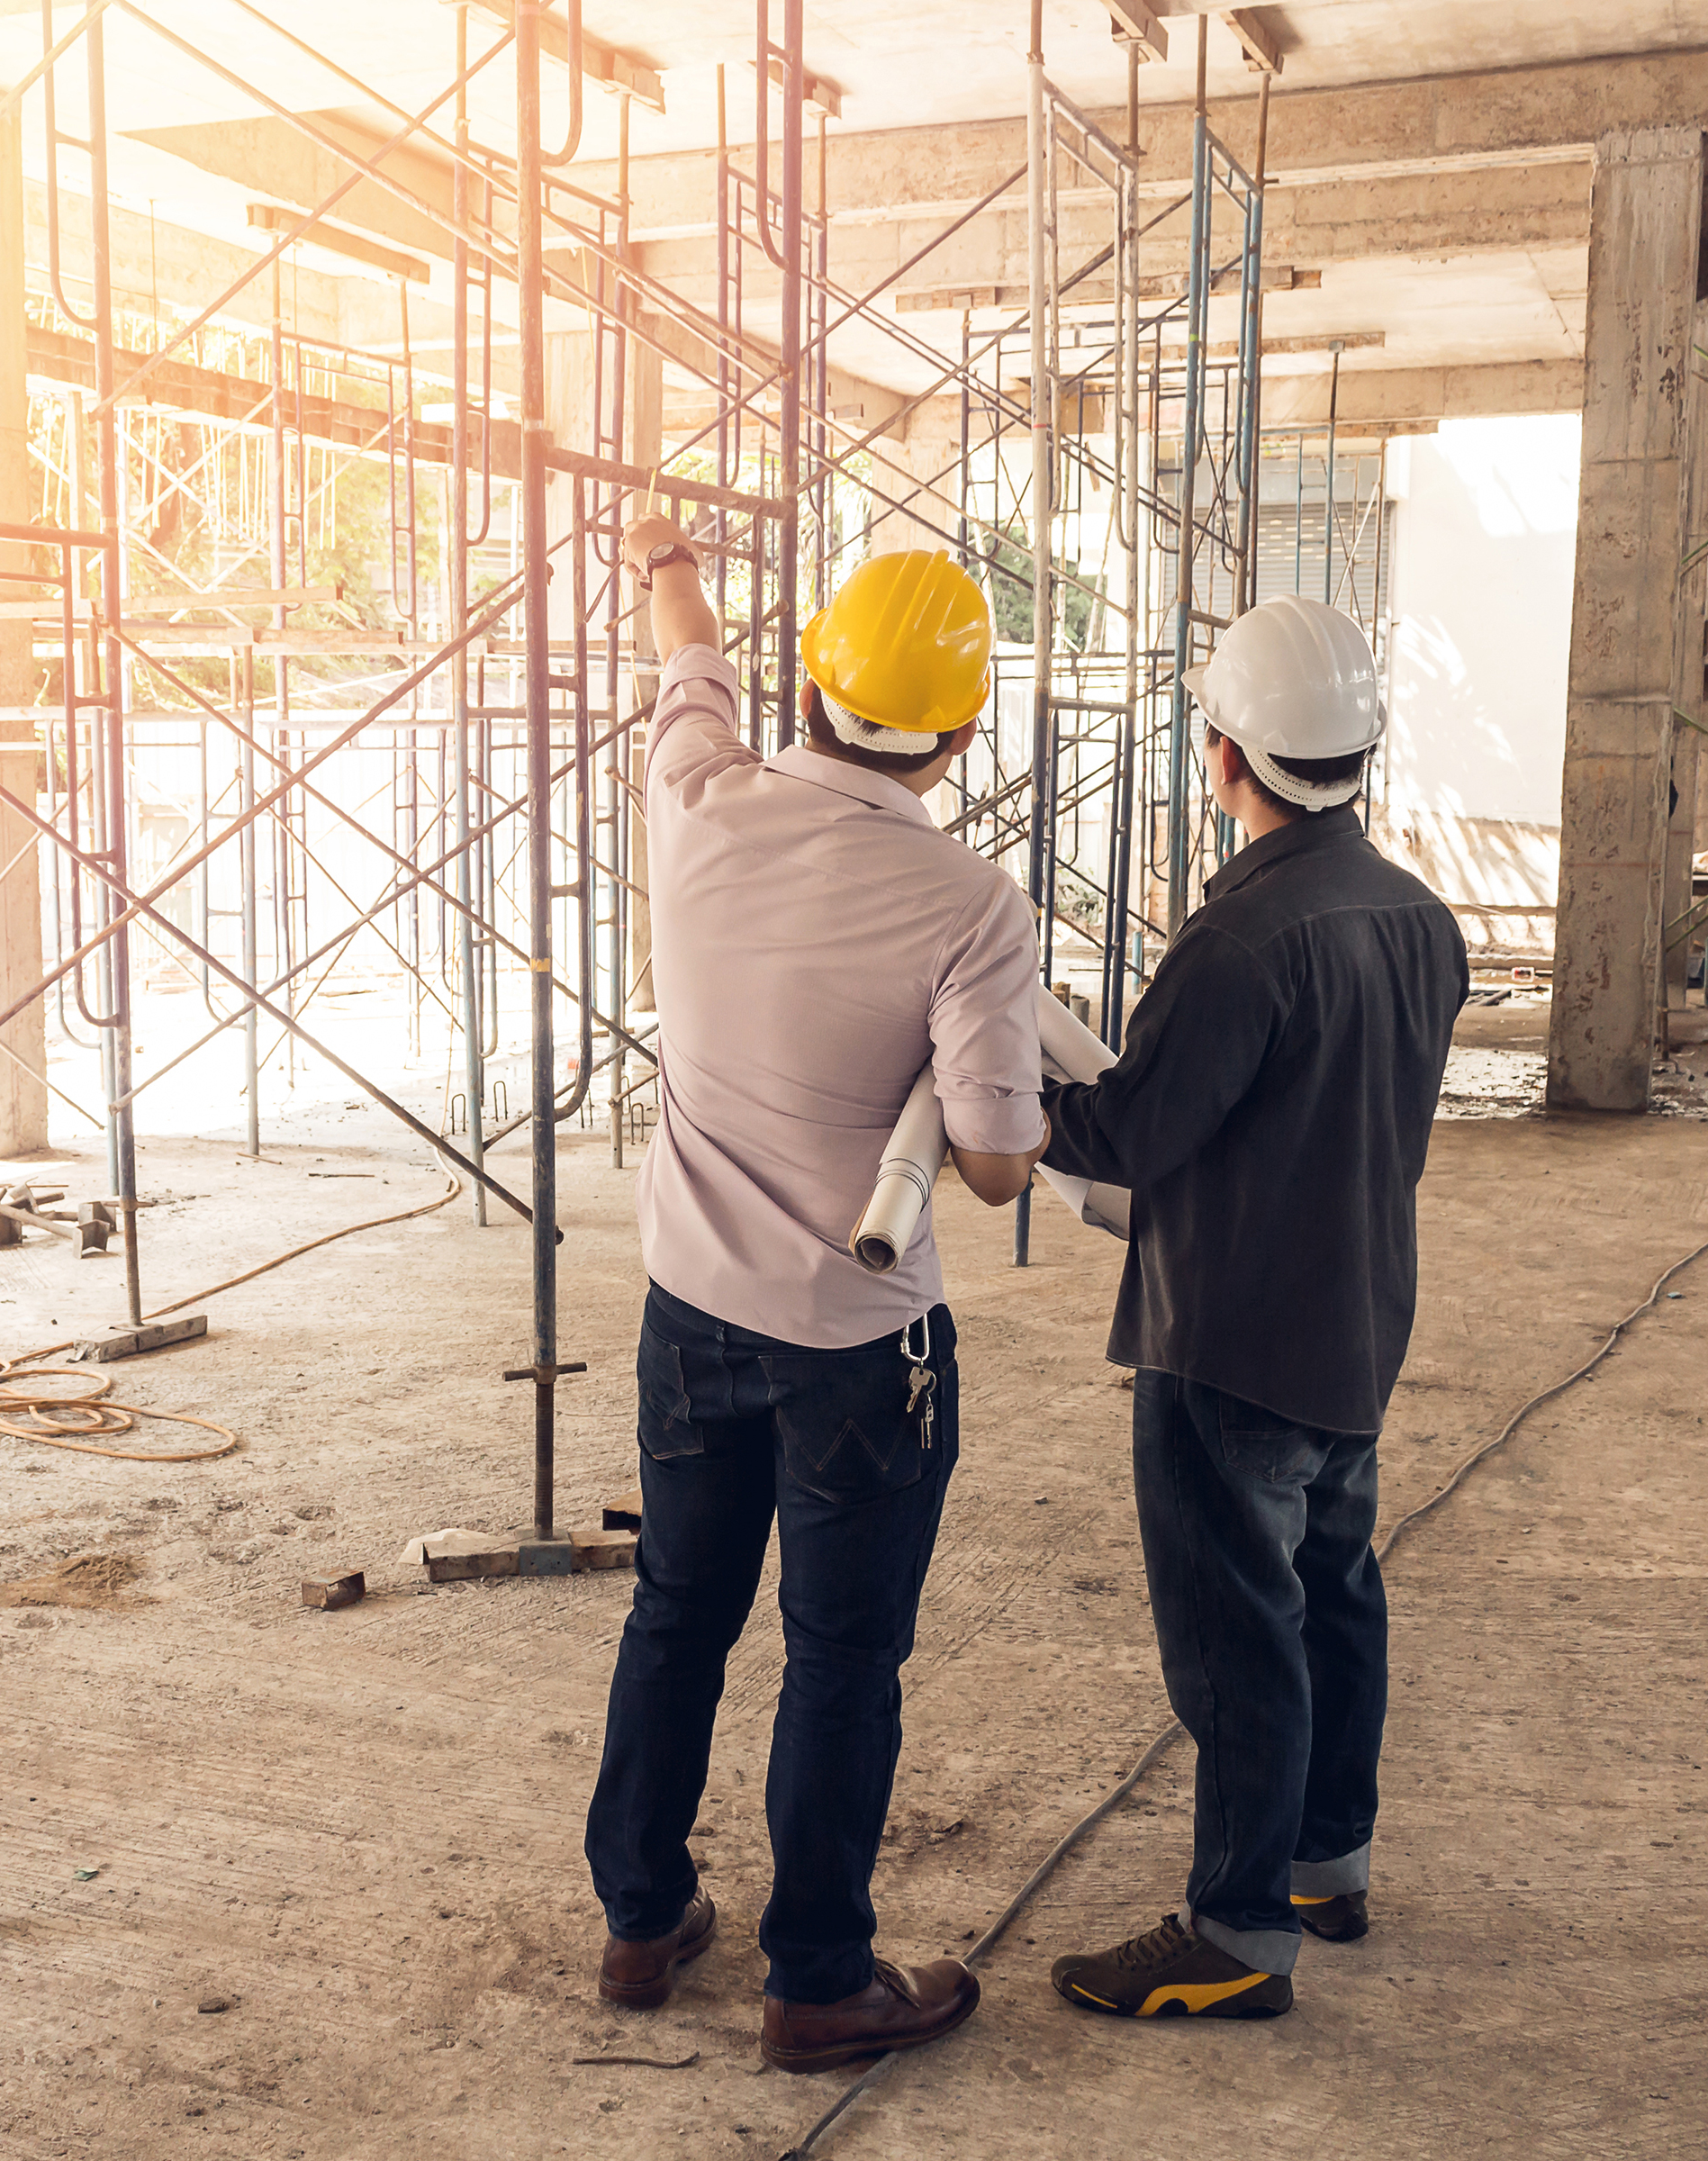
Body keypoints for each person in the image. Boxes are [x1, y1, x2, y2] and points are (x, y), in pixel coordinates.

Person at [583, 517, 1045, 2075]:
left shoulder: (700, 796)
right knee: (840, 1659)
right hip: (856, 1350)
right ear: (964, 734)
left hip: (687, 1313)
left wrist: (665, 563)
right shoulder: (971, 907)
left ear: (809, 681)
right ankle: (819, 1980)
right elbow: (991, 1167)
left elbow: (685, 656)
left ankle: (643, 1922)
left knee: (677, 1616)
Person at [1035, 594, 1467, 2022]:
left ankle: (1233, 1930)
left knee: (1239, 1634)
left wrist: (1013, 1094)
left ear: (1225, 756)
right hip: (1354, 1320)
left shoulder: (1241, 945)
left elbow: (1131, 1133)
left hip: (1230, 1341)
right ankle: (1322, 1863)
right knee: (1333, 1592)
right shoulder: (1418, 920)